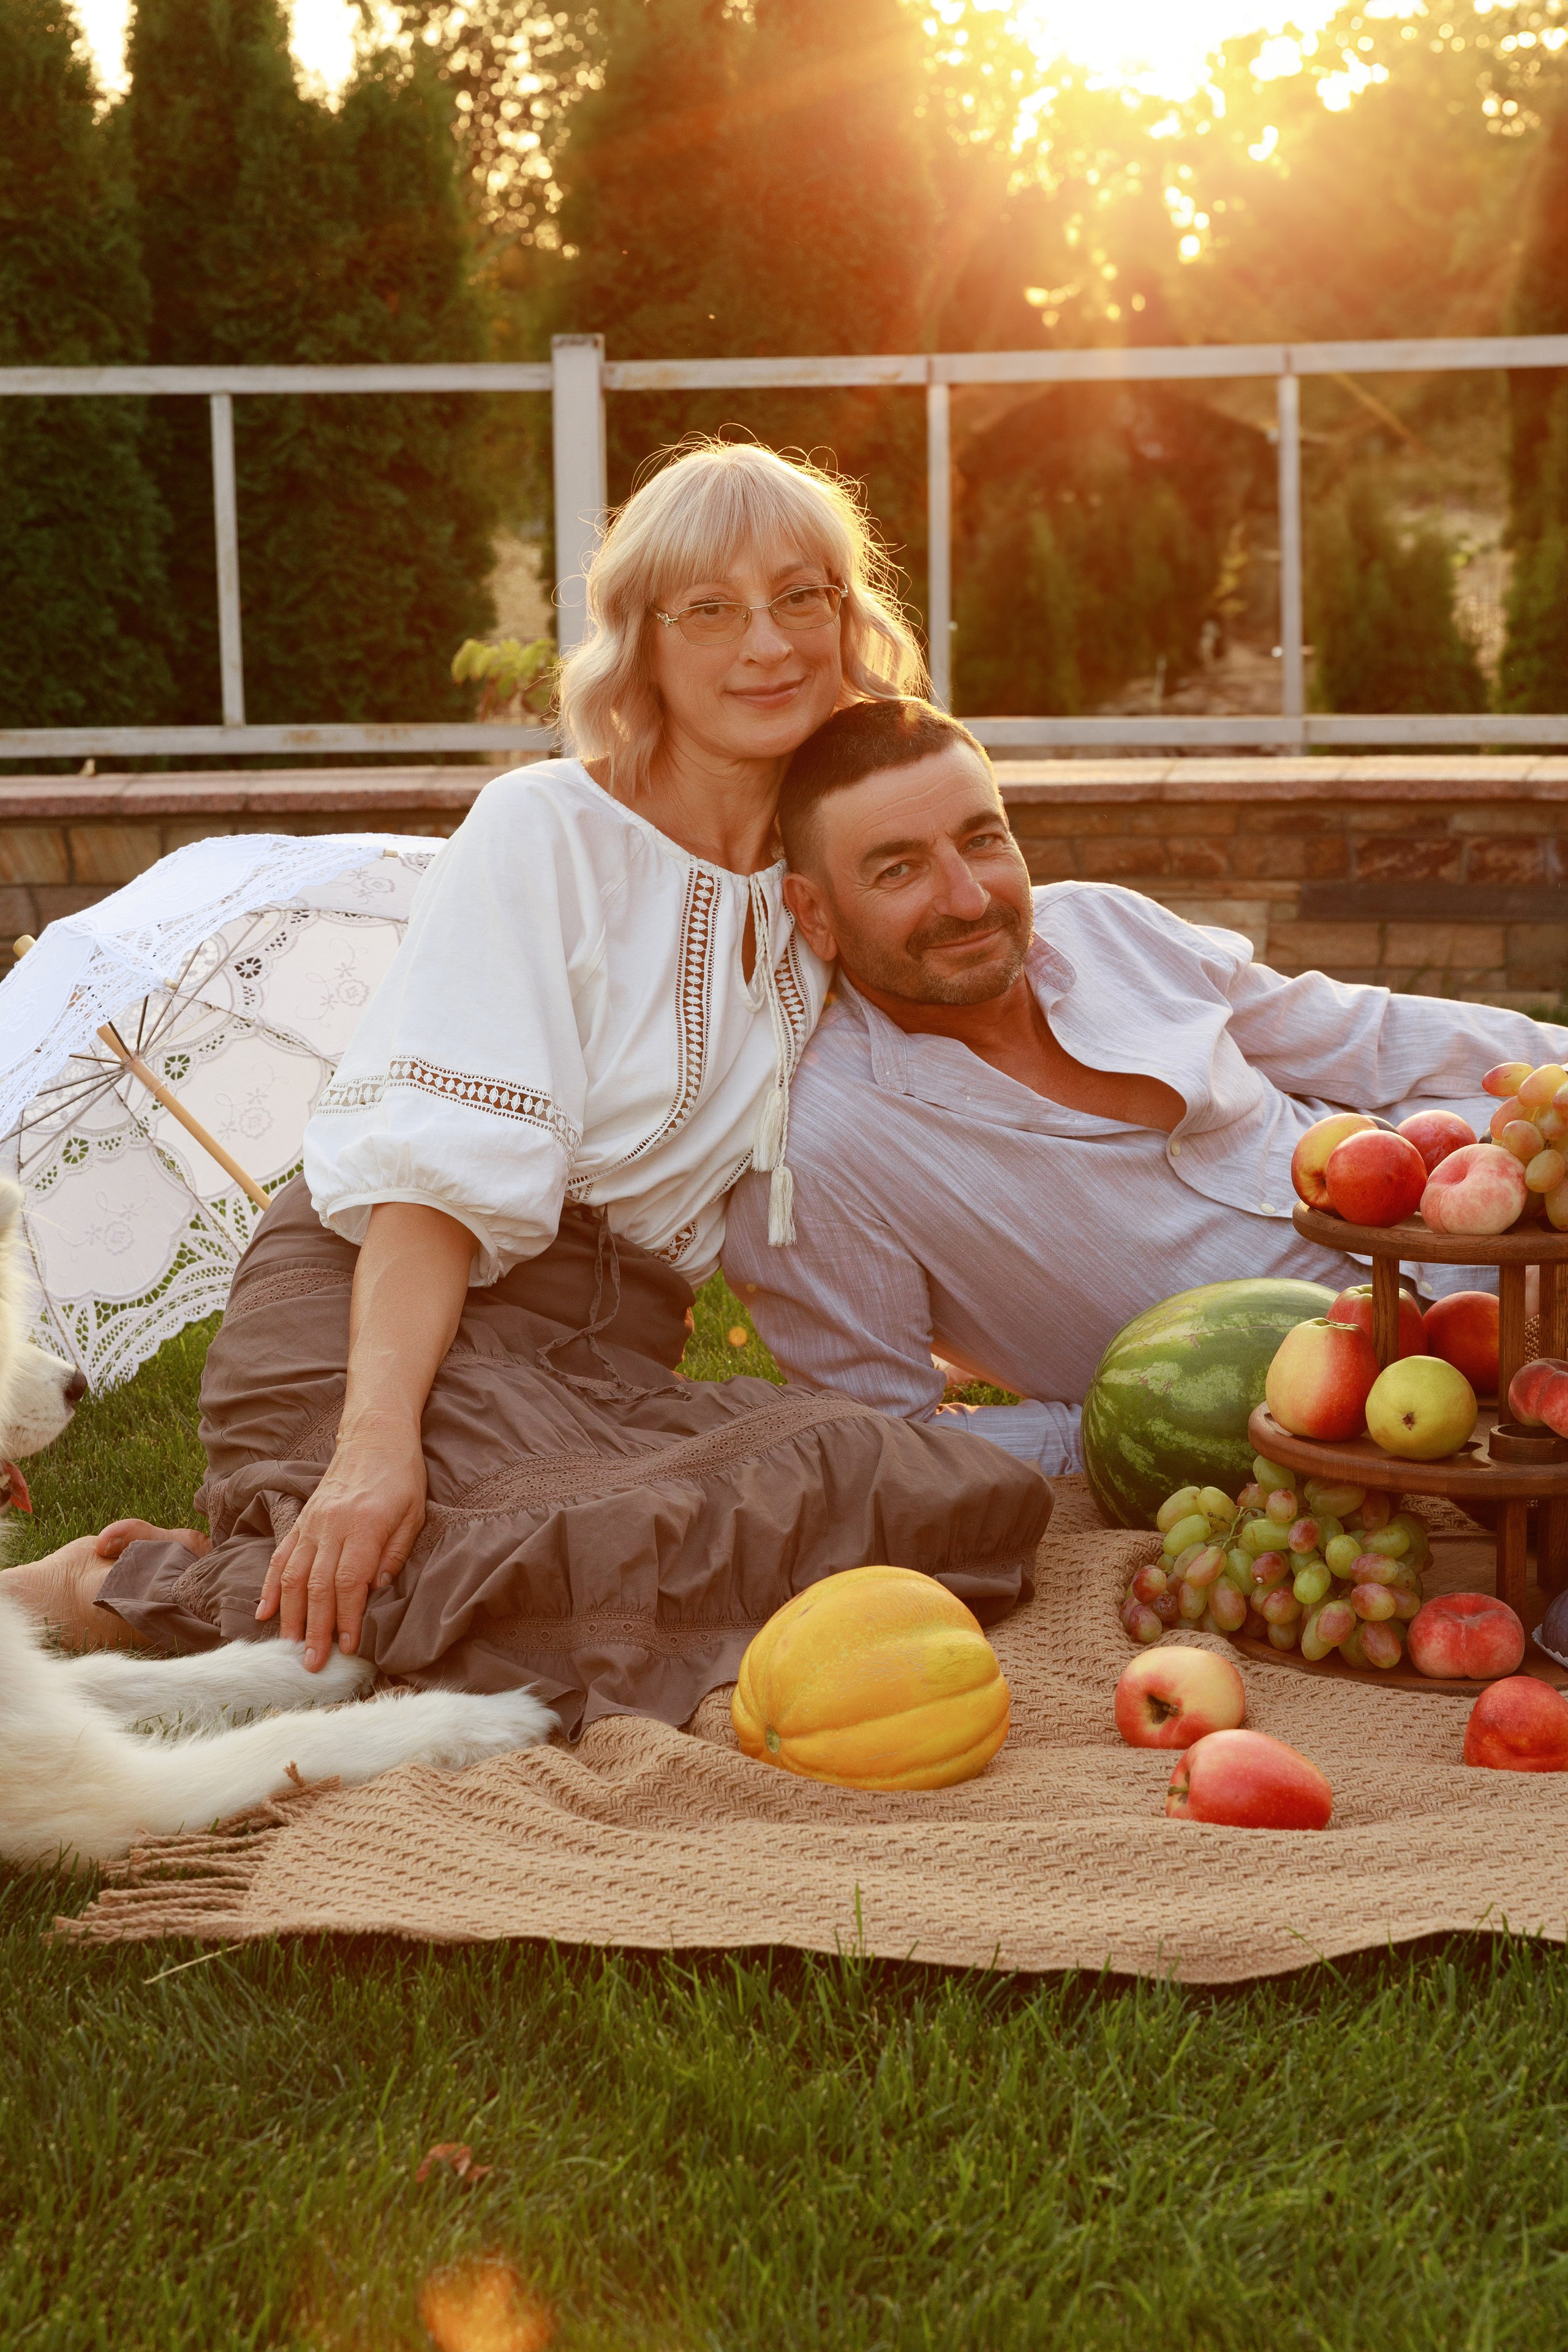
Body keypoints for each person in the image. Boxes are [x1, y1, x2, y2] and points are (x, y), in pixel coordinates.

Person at [7, 455, 1050, 1730]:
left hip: (597, 1374)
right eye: (708, 611)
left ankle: (233, 1590)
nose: (767, 645)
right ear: (643, 646)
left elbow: (979, 968)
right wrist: (371, 1450)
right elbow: (428, 1187)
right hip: (381, 1323)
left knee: (931, 1494)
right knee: (534, 1572)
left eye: (799, 598)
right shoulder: (542, 829)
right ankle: (106, 1589)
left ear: (848, 620)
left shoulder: (824, 873)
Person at [722, 698, 1568, 1476]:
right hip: (1384, 1415)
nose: (969, 897)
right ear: (815, 911)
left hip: (1507, 1232)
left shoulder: (1101, 924)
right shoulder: (814, 1151)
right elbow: (886, 1440)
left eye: (982, 840)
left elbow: (1363, 1040)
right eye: (898, 870)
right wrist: (1115, 1429)